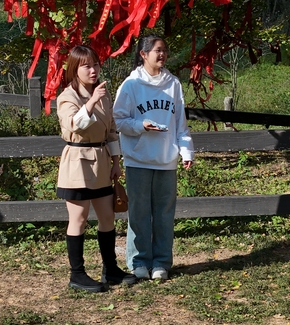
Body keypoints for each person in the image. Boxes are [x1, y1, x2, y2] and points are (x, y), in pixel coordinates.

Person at [113, 34, 194, 281]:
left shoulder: (174, 84)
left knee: (164, 214)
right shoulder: (131, 85)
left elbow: (180, 123)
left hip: (166, 160)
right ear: (143, 54)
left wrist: (186, 151)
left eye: (165, 50)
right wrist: (141, 126)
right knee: (139, 213)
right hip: (138, 159)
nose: (162, 54)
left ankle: (161, 262)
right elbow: (118, 120)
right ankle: (138, 261)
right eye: (157, 50)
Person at [56, 45, 136, 293]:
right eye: (86, 66)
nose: (93, 70)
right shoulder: (67, 97)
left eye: (96, 64)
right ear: (74, 69)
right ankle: (77, 274)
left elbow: (111, 130)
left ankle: (110, 269)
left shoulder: (103, 94)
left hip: (101, 161)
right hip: (77, 161)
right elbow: (74, 125)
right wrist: (91, 101)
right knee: (78, 219)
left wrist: (116, 162)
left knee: (107, 216)